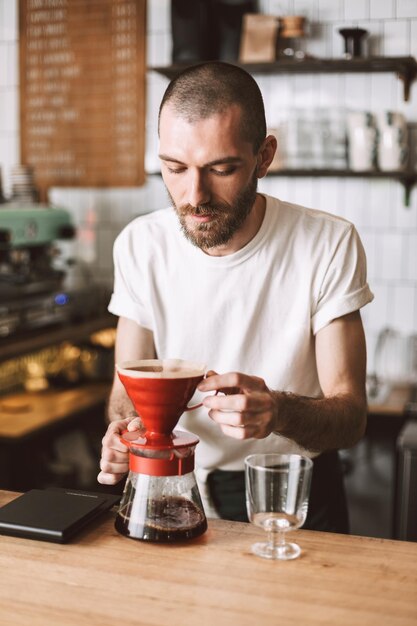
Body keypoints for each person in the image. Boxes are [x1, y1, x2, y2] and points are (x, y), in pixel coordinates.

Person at [98, 61, 373, 532]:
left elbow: (350, 416)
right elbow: (128, 384)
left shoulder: (327, 243)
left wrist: (278, 411)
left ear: (264, 157)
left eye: (221, 169)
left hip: (293, 486)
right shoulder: (140, 245)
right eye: (174, 168)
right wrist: (125, 429)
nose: (193, 195)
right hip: (178, 485)